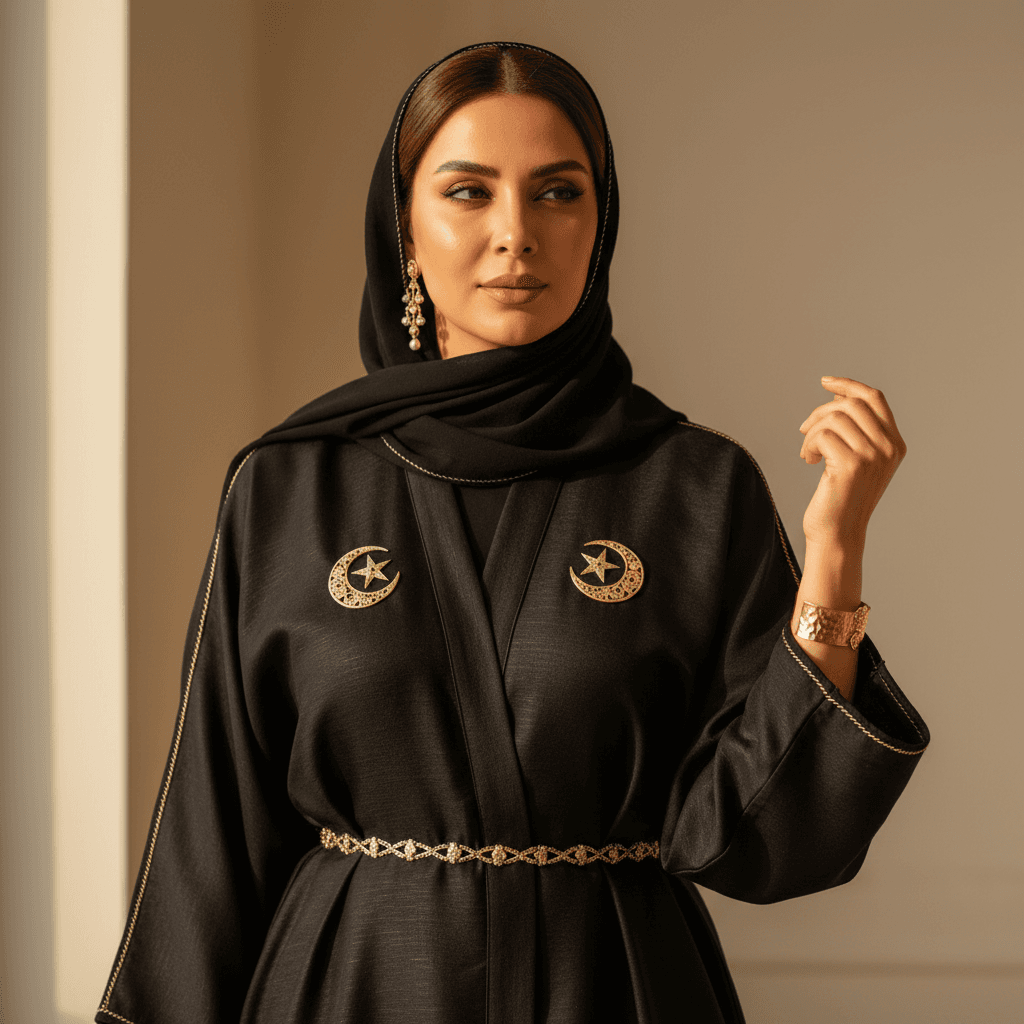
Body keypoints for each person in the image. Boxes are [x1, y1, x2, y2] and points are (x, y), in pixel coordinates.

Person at [96, 41, 929, 1024]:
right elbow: (214, 824)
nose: (514, 233)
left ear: (600, 222)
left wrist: (832, 558)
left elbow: (754, 837)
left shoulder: (694, 485)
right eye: (467, 191)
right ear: (403, 224)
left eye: (556, 192)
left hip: (615, 987)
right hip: (354, 984)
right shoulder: (288, 485)